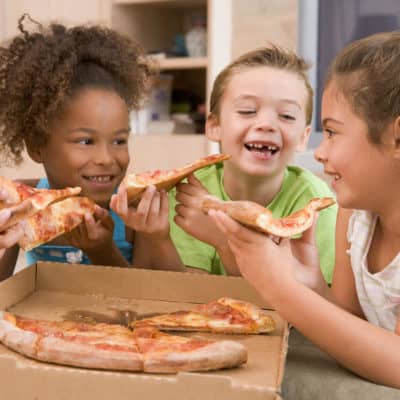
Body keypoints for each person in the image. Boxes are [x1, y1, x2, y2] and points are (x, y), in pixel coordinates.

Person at [209, 31, 400, 388]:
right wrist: (312, 285)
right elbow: (348, 324)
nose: (320, 153)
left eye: (332, 133)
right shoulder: (356, 215)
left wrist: (279, 288)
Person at [112, 45, 337, 280]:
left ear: (303, 137)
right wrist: (157, 237)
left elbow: (306, 306)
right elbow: (188, 300)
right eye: (248, 111)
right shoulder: (191, 193)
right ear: (214, 126)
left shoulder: (315, 207)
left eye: (287, 116)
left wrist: (223, 239)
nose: (267, 124)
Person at [0, 15, 154, 280]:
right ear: (37, 146)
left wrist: (103, 251)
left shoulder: (135, 213)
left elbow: (150, 301)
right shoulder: (24, 205)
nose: (106, 158)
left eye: (119, 140)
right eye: (86, 141)